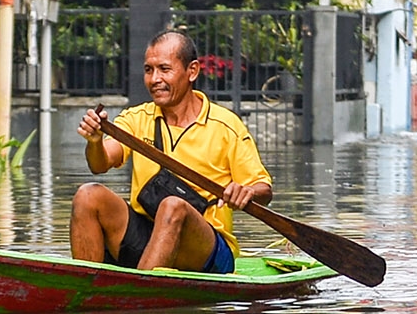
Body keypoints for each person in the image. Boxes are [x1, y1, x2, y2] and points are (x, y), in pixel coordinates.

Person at [72, 31, 271, 274]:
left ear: (192, 71)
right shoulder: (136, 118)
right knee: (87, 195)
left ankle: (139, 291)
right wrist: (95, 141)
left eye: (164, 69)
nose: (155, 79)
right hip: (148, 237)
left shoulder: (226, 125)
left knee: (173, 206)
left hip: (207, 251)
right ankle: (85, 286)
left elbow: (264, 189)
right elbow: (100, 163)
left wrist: (246, 191)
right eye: (148, 70)